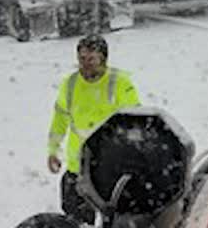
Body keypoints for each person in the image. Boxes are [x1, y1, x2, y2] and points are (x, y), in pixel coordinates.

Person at [46, 34, 140, 222]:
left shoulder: (120, 83)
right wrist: (53, 150)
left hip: (110, 167)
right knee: (74, 218)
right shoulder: (70, 84)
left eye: (91, 59)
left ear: (103, 59)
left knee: (115, 219)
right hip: (78, 165)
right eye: (81, 58)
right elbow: (60, 119)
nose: (86, 63)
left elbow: (134, 122)